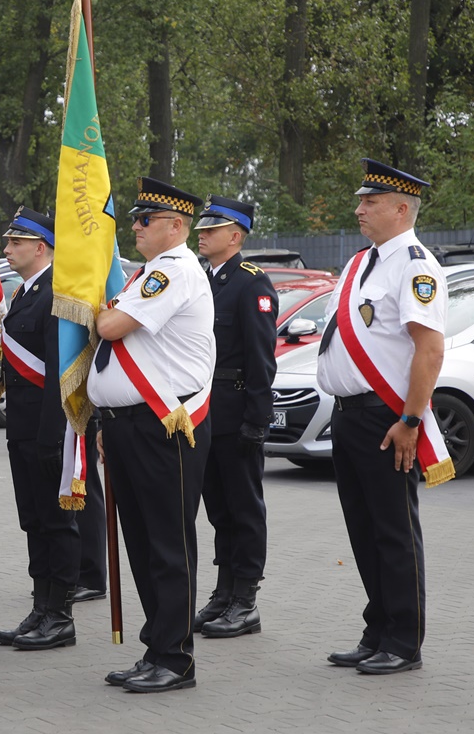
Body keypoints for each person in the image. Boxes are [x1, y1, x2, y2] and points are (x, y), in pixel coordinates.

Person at [317, 158, 450, 675]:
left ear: (401, 209)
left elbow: (429, 351)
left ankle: (404, 640)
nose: (359, 209)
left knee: (393, 529)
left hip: (388, 419)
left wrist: (411, 420)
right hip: (350, 415)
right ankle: (378, 628)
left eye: (369, 203)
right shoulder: (360, 263)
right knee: (363, 529)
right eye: (361, 201)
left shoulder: (416, 265)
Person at [88, 177, 215, 694]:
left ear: (176, 226)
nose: (135, 227)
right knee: (141, 543)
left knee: (166, 543)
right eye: (135, 218)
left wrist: (93, 309)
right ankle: (156, 647)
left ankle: (176, 657)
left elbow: (112, 327)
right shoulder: (151, 271)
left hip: (164, 425)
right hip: (129, 425)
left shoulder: (175, 271)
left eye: (145, 220)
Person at [0, 207, 82, 651]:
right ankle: (40, 605)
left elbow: (58, 376)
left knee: (56, 521)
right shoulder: (26, 294)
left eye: (15, 243)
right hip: (21, 430)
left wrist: (54, 436)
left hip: (49, 431)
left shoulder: (57, 295)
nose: (6, 250)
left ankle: (61, 614)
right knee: (33, 519)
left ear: (40, 247)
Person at [192, 196, 278, 637]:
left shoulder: (251, 284)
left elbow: (263, 358)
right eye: (202, 228)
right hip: (206, 410)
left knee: (244, 508)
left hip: (236, 408)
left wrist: (256, 421)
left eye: (212, 229)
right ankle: (224, 591)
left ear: (236, 236)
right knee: (218, 509)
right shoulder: (204, 281)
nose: (201, 234)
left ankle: (246, 599)